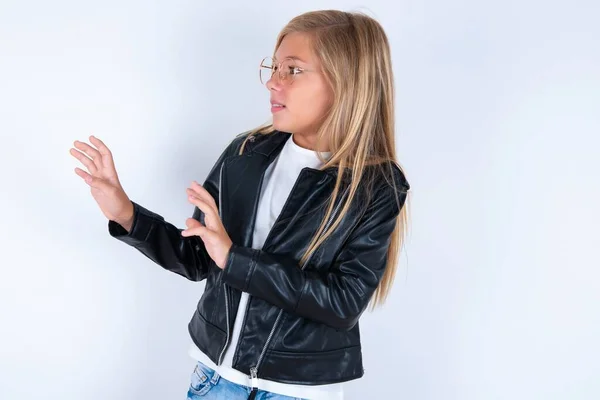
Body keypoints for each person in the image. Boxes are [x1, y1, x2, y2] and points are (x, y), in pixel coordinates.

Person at [69, 9, 410, 400]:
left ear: (346, 82)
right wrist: (124, 213)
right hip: (214, 381)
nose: (273, 83)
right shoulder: (245, 154)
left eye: (293, 71)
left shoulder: (375, 187)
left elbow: (342, 302)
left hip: (296, 392)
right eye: (274, 67)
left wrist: (235, 259)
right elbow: (198, 258)